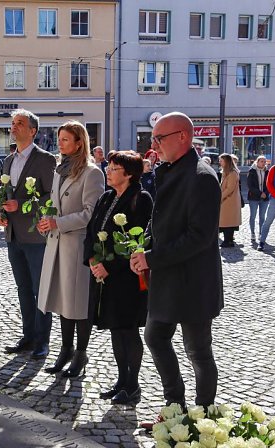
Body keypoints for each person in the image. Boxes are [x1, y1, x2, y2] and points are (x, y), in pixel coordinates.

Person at [129, 112, 223, 419]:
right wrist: (143, 246)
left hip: (194, 282)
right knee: (155, 337)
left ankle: (204, 416)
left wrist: (151, 258)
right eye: (153, 138)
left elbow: (199, 237)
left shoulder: (201, 176)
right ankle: (175, 407)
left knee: (198, 351)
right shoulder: (170, 170)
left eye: (159, 138)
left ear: (183, 136)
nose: (154, 145)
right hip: (168, 277)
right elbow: (159, 220)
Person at [36, 121, 105, 378]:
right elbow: (55, 206)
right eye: (60, 139)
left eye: (66, 139)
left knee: (78, 304)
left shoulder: (92, 173)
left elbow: (91, 213)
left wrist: (59, 223)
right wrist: (47, 221)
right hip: (57, 243)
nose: (60, 143)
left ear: (79, 143)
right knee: (63, 301)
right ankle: (66, 349)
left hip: (77, 246)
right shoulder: (59, 169)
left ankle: (81, 353)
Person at [85, 151, 152, 404]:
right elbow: (91, 231)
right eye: (109, 167)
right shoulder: (106, 197)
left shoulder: (140, 199)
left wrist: (110, 267)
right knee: (115, 329)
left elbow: (139, 241)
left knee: (128, 330)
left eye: (114, 168)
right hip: (104, 277)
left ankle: (133, 385)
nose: (108, 171)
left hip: (127, 277)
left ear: (129, 174)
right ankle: (121, 380)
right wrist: (92, 260)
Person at [0, 109, 56, 359]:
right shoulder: (8, 160)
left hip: (35, 236)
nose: (14, 126)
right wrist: (1, 213)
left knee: (40, 289)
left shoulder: (45, 159)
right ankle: (28, 336)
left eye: (20, 123)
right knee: (23, 288)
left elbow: (51, 196)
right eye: (13, 123)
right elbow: (5, 194)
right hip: (13, 235)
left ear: (33, 131)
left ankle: (42, 341)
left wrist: (21, 205)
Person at [218, 154, 241, 248]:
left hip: (229, 201)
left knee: (228, 222)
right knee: (226, 221)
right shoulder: (226, 172)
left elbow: (229, 188)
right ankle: (228, 240)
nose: (219, 162)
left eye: (221, 161)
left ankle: (228, 241)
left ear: (226, 162)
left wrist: (220, 197)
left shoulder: (232, 173)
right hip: (227, 201)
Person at [246, 156, 269, 243]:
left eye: (264, 162)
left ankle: (261, 233)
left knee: (262, 217)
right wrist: (260, 193)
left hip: (265, 198)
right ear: (257, 162)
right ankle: (252, 233)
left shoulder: (267, 171)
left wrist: (265, 193)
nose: (263, 163)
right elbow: (250, 186)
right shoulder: (252, 171)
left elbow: (270, 184)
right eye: (261, 161)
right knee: (253, 216)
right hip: (254, 197)